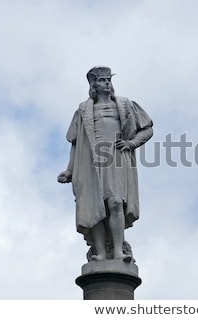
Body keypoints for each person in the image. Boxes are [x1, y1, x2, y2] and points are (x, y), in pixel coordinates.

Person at [58, 66, 153, 262]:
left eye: (109, 80)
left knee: (116, 202)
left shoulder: (126, 105)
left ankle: (118, 250)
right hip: (90, 162)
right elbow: (76, 143)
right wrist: (69, 170)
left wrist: (131, 143)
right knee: (95, 207)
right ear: (94, 85)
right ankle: (100, 252)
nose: (107, 83)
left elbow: (147, 129)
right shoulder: (83, 110)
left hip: (116, 159)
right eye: (102, 80)